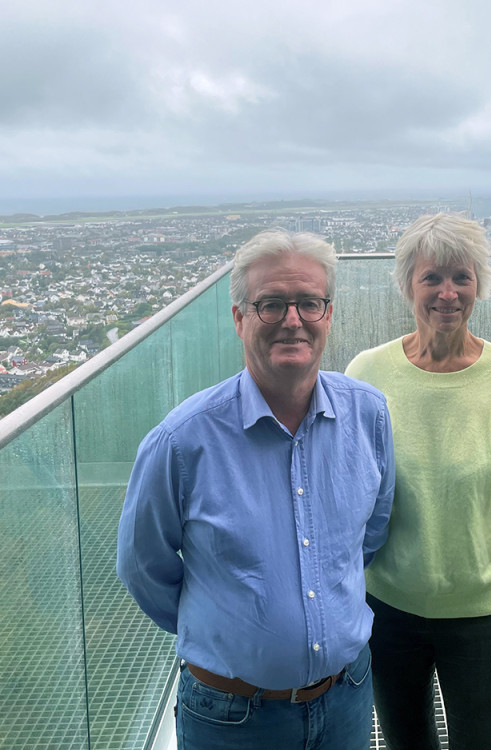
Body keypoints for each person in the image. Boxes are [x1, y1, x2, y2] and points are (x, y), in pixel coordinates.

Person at [116, 229, 395, 750]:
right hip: (232, 718)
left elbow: (370, 536)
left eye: (309, 303)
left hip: (348, 695)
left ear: (328, 314)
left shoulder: (369, 414)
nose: (293, 320)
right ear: (239, 318)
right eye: (271, 304)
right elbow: (142, 567)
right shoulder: (181, 441)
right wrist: (221, 626)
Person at [345, 213, 491, 749]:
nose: (448, 293)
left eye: (462, 277)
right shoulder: (366, 374)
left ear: (479, 284)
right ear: (408, 285)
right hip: (388, 610)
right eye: (431, 277)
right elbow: (345, 498)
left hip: (481, 617)